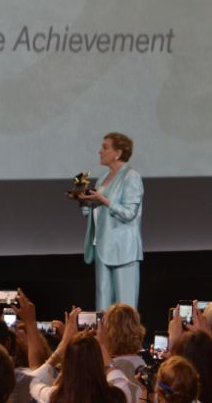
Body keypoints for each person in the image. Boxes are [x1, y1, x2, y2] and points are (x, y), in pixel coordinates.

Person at [78, 132, 144, 310]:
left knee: (125, 307)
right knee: (103, 306)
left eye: (105, 147)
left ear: (118, 153)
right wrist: (85, 201)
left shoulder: (131, 176)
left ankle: (129, 338)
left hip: (123, 249)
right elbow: (96, 212)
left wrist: (104, 200)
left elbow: (129, 213)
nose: (100, 151)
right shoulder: (102, 179)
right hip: (102, 247)